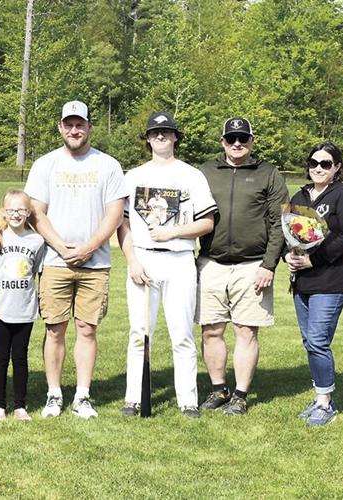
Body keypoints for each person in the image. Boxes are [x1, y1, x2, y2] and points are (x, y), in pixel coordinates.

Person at [24, 100, 127, 419]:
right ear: (60, 127)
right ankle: (54, 394)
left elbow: (115, 213)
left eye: (79, 124)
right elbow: (35, 212)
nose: (74, 130)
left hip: (95, 263)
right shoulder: (46, 164)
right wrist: (62, 246)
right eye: (68, 124)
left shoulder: (108, 165)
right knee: (54, 328)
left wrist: (89, 247)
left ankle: (82, 395)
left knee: (87, 328)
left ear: (89, 127)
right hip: (55, 262)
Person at [116, 112, 216, 419]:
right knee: (139, 333)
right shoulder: (133, 177)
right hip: (143, 258)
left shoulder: (191, 175)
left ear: (175, 137)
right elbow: (123, 224)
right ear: (147, 138)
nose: (160, 136)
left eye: (166, 132)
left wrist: (174, 231)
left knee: (182, 332)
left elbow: (208, 222)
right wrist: (131, 260)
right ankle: (134, 397)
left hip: (179, 259)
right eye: (155, 132)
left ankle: (187, 400)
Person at [196, 116, 287, 416]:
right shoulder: (205, 172)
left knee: (246, 331)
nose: (237, 144)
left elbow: (279, 223)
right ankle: (218, 389)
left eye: (243, 138)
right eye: (231, 139)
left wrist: (269, 265)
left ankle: (240, 395)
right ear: (222, 141)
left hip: (253, 265)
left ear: (252, 141)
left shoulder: (268, 173)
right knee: (211, 330)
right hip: (211, 263)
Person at [285, 142, 343, 427]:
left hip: (331, 280)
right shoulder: (300, 195)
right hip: (303, 281)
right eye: (314, 163)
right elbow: (289, 234)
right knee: (310, 341)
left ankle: (325, 403)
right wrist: (288, 257)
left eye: (326, 164)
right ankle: (320, 396)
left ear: (337, 167)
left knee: (317, 340)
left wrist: (314, 261)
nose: (318, 168)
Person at [0, 189, 46, 421]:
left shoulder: (37, 240)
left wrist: (39, 301)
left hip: (25, 309)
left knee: (20, 357)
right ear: (3, 212)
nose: (16, 214)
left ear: (28, 212)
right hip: (1, 309)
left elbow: (38, 272)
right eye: (11, 210)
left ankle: (20, 405)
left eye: (21, 210)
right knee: (1, 357)